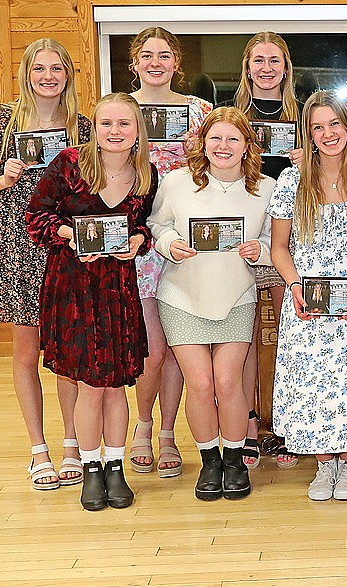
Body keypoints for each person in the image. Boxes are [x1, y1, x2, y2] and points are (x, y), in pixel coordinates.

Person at [0, 38, 91, 491]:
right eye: (40, 68)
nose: (48, 76)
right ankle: (39, 448)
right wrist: (2, 178)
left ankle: (73, 441)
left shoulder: (82, 127)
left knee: (70, 353)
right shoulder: (1, 121)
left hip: (66, 248)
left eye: (57, 67)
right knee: (26, 353)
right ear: (27, 74)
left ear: (69, 73)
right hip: (17, 249)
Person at [26, 92, 157, 511]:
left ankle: (115, 468)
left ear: (138, 131)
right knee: (89, 386)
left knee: (116, 386)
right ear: (94, 129)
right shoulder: (68, 164)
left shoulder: (146, 174)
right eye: (107, 124)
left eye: (124, 124)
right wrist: (73, 236)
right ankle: (91, 468)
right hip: (75, 290)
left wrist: (137, 240)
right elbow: (36, 216)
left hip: (119, 290)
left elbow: (144, 227)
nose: (115, 131)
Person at [269, 91, 347, 502]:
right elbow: (278, 248)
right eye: (317, 127)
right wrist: (294, 287)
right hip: (305, 299)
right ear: (308, 134)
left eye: (334, 124)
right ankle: (324, 466)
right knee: (312, 385)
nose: (328, 134)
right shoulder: (292, 180)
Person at [148, 106, 275, 501]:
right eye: (215, 138)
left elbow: (279, 239)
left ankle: (234, 459)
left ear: (246, 146)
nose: (223, 146)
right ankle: (209, 460)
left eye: (233, 139)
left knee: (227, 381)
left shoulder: (265, 189)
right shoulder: (176, 182)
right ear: (202, 143)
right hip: (182, 296)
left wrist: (262, 249)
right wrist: (170, 244)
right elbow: (157, 224)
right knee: (200, 384)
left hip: (236, 298)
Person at [127, 27, 214, 478]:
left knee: (182, 344)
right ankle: (143, 425)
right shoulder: (122, 110)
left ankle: (167, 434)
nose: (156, 62)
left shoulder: (200, 112)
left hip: (189, 243)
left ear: (177, 61)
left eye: (164, 54)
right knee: (154, 350)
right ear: (134, 62)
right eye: (147, 55)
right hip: (139, 241)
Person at [227, 32, 303, 469]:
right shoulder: (234, 116)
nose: (267, 67)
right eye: (259, 60)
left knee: (290, 331)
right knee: (246, 334)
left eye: (275, 60)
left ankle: (289, 425)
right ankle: (250, 422)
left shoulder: (301, 114)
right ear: (248, 65)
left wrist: (304, 158)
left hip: (285, 237)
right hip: (241, 232)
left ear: (285, 66)